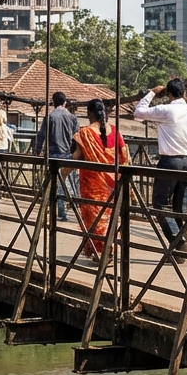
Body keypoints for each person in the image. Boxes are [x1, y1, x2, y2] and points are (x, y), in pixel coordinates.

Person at [133, 78, 187, 249]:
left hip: (169, 162)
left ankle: (178, 240)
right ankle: (180, 247)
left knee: (160, 203)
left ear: (169, 94)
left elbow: (138, 112)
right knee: (182, 206)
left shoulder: (165, 110)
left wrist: (152, 92)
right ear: (185, 93)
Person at [71, 99, 131, 261]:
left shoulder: (85, 133)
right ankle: (105, 250)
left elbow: (76, 157)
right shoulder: (115, 131)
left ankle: (103, 251)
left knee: (95, 219)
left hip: (92, 185)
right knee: (109, 217)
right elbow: (124, 156)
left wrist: (60, 173)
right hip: (112, 183)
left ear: (90, 113)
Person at [33, 91, 79, 222]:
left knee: (53, 184)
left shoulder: (50, 117)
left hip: (53, 155)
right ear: (65, 102)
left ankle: (56, 211)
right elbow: (77, 138)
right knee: (67, 184)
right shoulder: (72, 117)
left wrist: (37, 151)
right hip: (68, 155)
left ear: (53, 102)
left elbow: (41, 135)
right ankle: (70, 209)